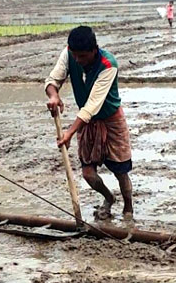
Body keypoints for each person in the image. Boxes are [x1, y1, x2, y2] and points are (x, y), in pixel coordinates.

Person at [44, 26, 134, 221]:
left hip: (110, 119)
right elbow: (54, 79)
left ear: (94, 50)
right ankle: (108, 198)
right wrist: (53, 96)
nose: (78, 60)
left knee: (120, 170)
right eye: (75, 56)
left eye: (83, 56)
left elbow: (92, 105)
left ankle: (128, 208)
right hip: (86, 122)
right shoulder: (69, 53)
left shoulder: (108, 65)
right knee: (88, 174)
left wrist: (69, 132)